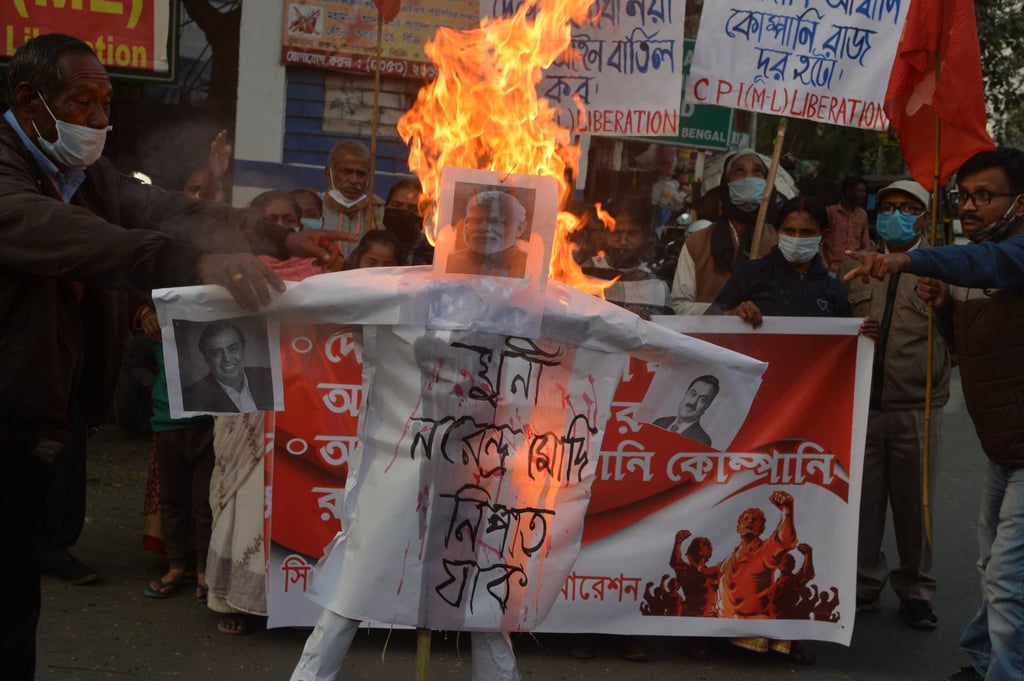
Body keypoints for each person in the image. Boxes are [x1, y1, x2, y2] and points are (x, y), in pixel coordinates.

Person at [0, 33, 339, 680]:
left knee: (16, 596)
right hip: (6, 410)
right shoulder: (15, 174)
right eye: (84, 103)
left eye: (106, 103)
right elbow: (74, 237)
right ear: (28, 101)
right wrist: (189, 263)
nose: (102, 120)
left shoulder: (84, 173)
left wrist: (274, 233)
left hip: (43, 415)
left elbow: (165, 208)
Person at [843, 147, 1024, 681]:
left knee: (1008, 578)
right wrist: (945, 310)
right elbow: (967, 349)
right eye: (964, 197)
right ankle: (986, 659)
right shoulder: (971, 265)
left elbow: (992, 264)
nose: (970, 207)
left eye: (985, 196)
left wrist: (909, 259)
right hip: (1003, 448)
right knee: (993, 567)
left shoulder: (1002, 256)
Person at [839, 180, 950, 629]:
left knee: (914, 504)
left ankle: (916, 589)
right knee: (862, 503)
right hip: (864, 403)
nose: (897, 214)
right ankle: (865, 585)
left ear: (924, 217)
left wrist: (941, 310)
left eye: (908, 208)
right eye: (889, 207)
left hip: (916, 405)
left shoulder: (941, 268)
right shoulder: (855, 267)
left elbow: (960, 335)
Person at [138, 305, 215, 604]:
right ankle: (176, 566)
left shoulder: (213, 324)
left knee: (203, 502)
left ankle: (204, 570)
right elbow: (134, 362)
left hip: (207, 422)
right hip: (167, 421)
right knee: (172, 501)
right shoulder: (156, 326)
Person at [708, 195, 860, 327]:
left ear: (823, 235)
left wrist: (866, 333)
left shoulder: (832, 288)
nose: (797, 238)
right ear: (778, 231)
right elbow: (707, 325)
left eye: (807, 232)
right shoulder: (751, 274)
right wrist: (732, 316)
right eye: (789, 231)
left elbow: (845, 340)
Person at [670, 149, 779, 314]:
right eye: (739, 171)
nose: (748, 178)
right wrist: (723, 313)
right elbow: (680, 305)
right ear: (726, 184)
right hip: (710, 338)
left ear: (767, 183)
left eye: (757, 172)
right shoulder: (697, 243)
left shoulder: (780, 242)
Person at [718, 492, 815, 664]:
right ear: (738, 526)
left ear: (761, 529)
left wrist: (787, 512)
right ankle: (704, 636)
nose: (749, 521)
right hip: (724, 617)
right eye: (746, 518)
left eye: (755, 520)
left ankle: (790, 642)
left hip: (754, 620)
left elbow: (783, 541)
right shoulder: (729, 558)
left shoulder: (764, 552)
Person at [581, 194, 673, 318]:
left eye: (632, 233)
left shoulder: (655, 286)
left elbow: (662, 330)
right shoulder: (583, 273)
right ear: (604, 233)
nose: (623, 241)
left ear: (646, 236)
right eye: (616, 232)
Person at [181, 321, 275, 413]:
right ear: (206, 359)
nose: (227, 359)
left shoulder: (269, 377)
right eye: (216, 353)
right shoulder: (190, 398)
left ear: (243, 350)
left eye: (233, 349)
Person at [446, 190, 530, 278]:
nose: (483, 228)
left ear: (520, 228)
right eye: (474, 220)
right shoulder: (447, 263)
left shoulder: (532, 268)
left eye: (496, 221)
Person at [321, 140, 384, 259]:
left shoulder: (379, 211)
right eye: (347, 172)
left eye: (361, 174)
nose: (354, 180)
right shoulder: (315, 207)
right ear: (329, 174)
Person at [652, 375, 719, 446]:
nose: (693, 402)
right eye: (692, 394)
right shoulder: (659, 422)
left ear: (707, 406)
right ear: (685, 394)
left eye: (702, 400)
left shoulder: (701, 441)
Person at [823, 175, 870, 273]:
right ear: (848, 191)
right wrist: (825, 265)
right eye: (859, 191)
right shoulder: (830, 213)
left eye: (864, 191)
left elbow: (865, 243)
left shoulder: (862, 214)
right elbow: (820, 241)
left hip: (854, 269)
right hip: (832, 269)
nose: (863, 194)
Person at [381, 177, 426, 261]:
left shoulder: (428, 251)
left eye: (412, 209)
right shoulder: (372, 243)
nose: (404, 212)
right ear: (386, 206)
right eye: (397, 206)